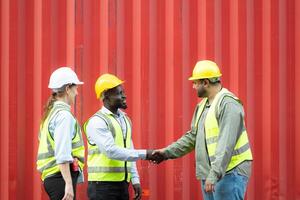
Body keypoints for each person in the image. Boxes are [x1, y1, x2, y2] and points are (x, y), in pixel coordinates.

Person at [152, 60, 253, 200]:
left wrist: (214, 174)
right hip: (212, 174)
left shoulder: (229, 105)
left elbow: (226, 144)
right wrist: (166, 153)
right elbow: (192, 137)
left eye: (195, 83)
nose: (193, 86)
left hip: (230, 172)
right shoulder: (202, 106)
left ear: (205, 82)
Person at [84, 73, 155, 200]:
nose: (124, 96)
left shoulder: (125, 119)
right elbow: (110, 150)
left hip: (122, 185)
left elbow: (129, 149)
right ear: (106, 96)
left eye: (123, 92)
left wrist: (135, 179)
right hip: (102, 187)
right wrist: (146, 154)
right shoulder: (97, 121)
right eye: (119, 93)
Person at [36, 67, 85, 200]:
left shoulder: (51, 114)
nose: (77, 93)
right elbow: (62, 153)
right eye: (75, 88)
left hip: (53, 177)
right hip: (60, 178)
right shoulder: (64, 116)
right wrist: (68, 184)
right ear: (68, 88)